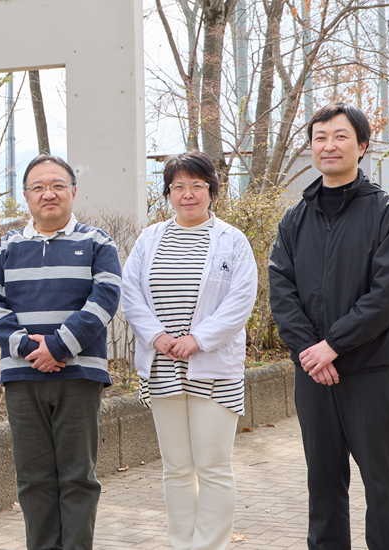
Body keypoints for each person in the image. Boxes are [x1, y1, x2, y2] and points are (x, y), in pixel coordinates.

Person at [268, 103, 389, 550]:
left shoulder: (387, 214)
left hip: (370, 370)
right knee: (323, 485)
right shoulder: (295, 218)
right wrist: (310, 351)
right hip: (314, 374)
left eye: (340, 136)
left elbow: (387, 295)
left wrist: (333, 345)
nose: (328, 145)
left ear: (362, 146)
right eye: (319, 137)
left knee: (382, 486)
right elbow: (281, 290)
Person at [0, 154, 122, 550]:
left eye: (58, 185)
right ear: (25, 196)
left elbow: (105, 298)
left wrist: (58, 346)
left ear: (73, 192)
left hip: (79, 374)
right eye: (38, 187)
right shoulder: (7, 245)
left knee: (78, 477)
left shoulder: (97, 241)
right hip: (23, 377)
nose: (49, 194)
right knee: (33, 478)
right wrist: (29, 349)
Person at [120, 151, 257, 550]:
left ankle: (210, 546)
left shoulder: (232, 240)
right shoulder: (150, 238)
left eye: (197, 185)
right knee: (176, 468)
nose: (188, 194)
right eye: (178, 186)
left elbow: (241, 299)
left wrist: (198, 340)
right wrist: (157, 336)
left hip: (212, 367)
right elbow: (131, 293)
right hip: (163, 365)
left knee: (213, 467)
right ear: (168, 193)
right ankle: (181, 544)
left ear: (212, 190)